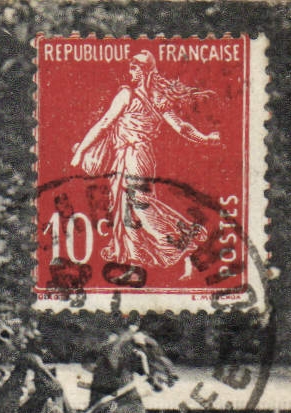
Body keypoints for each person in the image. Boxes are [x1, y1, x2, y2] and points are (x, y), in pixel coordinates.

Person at [69, 50, 221, 273]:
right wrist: (205, 138)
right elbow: (182, 127)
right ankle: (133, 259)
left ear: (143, 71)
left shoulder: (127, 95)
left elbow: (104, 124)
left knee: (138, 204)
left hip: (132, 156)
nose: (131, 72)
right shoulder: (158, 100)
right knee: (128, 206)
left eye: (134, 68)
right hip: (141, 157)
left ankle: (181, 239)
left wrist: (80, 151)